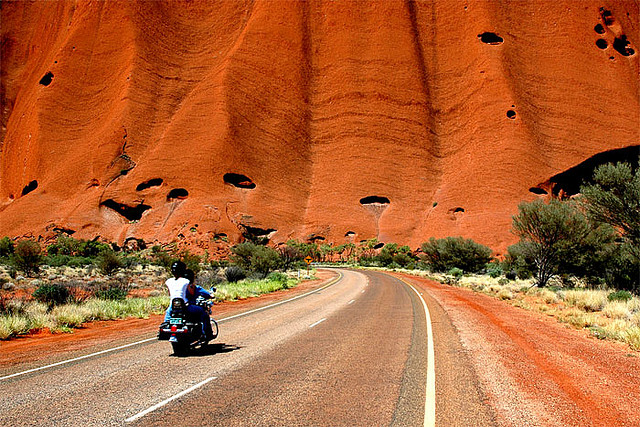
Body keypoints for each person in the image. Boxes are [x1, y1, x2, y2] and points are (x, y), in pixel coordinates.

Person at [163, 263, 214, 341]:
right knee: (203, 313)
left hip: (172, 306)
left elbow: (170, 294)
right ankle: (206, 334)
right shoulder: (186, 281)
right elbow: (192, 292)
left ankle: (166, 325)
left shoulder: (169, 281)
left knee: (167, 315)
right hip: (186, 306)